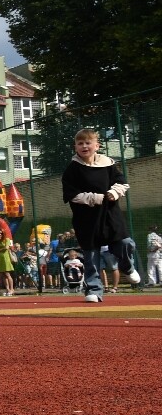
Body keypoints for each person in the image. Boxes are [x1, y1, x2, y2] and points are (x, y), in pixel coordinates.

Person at [63, 128, 140, 302]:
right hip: (86, 220)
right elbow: (71, 194)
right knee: (91, 256)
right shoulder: (72, 169)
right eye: (80, 143)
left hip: (110, 215)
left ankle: (127, 267)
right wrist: (95, 198)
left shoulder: (108, 164)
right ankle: (94, 290)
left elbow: (122, 182)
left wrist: (115, 192)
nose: (84, 146)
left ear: (97, 145)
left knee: (126, 243)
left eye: (88, 143)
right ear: (75, 146)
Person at [0, 228, 15, 296]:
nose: (0, 234)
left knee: (7, 274)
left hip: (5, 258)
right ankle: (7, 289)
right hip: (0, 258)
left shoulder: (7, 239)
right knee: (3, 275)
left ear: (4, 234)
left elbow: (6, 248)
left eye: (1, 233)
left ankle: (12, 289)